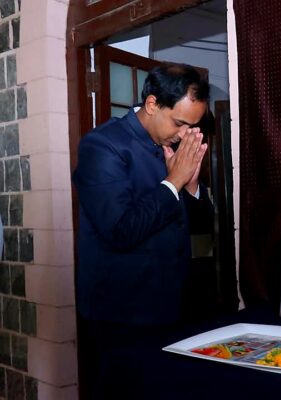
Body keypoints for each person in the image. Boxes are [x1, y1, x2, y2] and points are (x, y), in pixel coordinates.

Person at [72, 62, 214, 398]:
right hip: (123, 316)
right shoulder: (102, 146)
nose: (184, 135)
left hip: (176, 309)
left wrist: (191, 188)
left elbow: (200, 228)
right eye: (179, 123)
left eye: (192, 126)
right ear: (152, 104)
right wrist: (173, 182)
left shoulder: (174, 146)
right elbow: (120, 231)